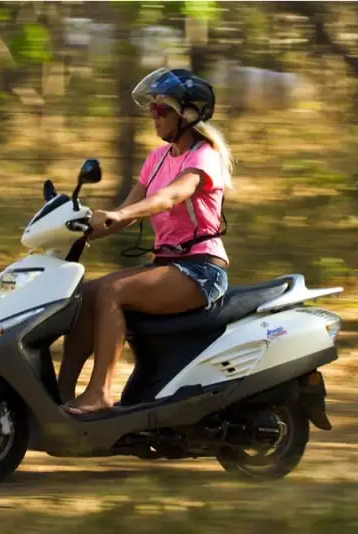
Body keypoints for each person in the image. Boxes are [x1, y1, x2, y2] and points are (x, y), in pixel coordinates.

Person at [58, 67, 235, 415]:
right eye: (151, 109)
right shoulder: (156, 160)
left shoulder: (203, 157)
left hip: (200, 270)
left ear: (187, 115)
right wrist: (79, 231)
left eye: (161, 109)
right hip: (167, 266)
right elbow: (126, 211)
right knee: (87, 294)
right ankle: (57, 394)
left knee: (112, 292)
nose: (153, 116)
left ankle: (100, 393)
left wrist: (121, 215)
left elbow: (171, 197)